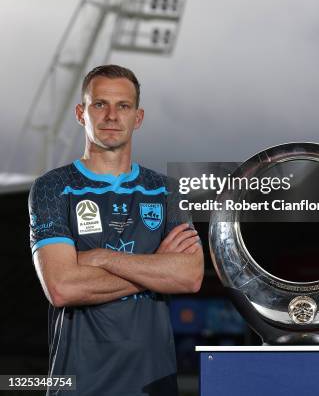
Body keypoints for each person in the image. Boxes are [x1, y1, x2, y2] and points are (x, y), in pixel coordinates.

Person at [28, 64, 204, 396]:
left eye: (122, 106)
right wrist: (156, 266)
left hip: (153, 383)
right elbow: (63, 287)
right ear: (81, 113)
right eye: (100, 104)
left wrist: (99, 258)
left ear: (137, 117)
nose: (111, 115)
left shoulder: (167, 191)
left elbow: (189, 276)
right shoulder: (53, 187)